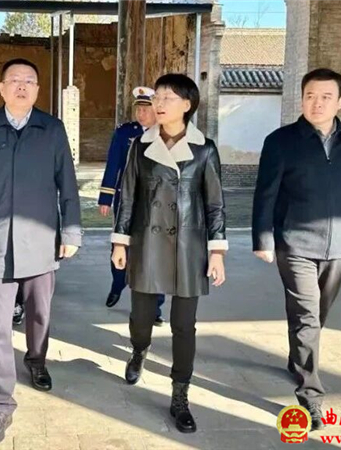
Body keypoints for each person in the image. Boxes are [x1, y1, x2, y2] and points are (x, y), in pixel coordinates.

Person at [0, 58, 82, 445]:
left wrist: (71, 231)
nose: (22, 86)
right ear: (1, 88)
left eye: (29, 80)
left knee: (39, 315)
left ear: (38, 90)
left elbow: (68, 184)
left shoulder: (52, 129)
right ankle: (1, 404)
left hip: (41, 241)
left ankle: (36, 360)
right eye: (14, 80)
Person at [252, 68, 341, 430]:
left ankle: (299, 355)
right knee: (307, 317)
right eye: (310, 96)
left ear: (340, 102)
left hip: (339, 243)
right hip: (294, 242)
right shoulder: (281, 141)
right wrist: (263, 238)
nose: (317, 103)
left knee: (316, 314)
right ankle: (310, 395)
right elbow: (265, 193)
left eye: (326, 97)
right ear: (301, 98)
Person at [112, 73, 227, 434]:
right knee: (142, 316)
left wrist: (217, 251)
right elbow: (127, 195)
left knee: (183, 325)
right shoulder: (140, 145)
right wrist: (120, 242)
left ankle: (180, 395)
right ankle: (139, 349)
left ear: (187, 105)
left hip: (189, 245)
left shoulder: (204, 148)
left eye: (168, 97)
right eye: (157, 97)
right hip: (147, 240)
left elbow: (215, 203)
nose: (159, 104)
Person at [98, 87, 166, 326]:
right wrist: (106, 197)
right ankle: (118, 284)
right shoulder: (125, 133)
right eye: (138, 109)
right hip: (126, 199)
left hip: (157, 203)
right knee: (121, 245)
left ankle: (156, 306)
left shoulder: (166, 133)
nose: (141, 114)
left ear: (155, 110)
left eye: (145, 109)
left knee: (157, 252)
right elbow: (113, 164)